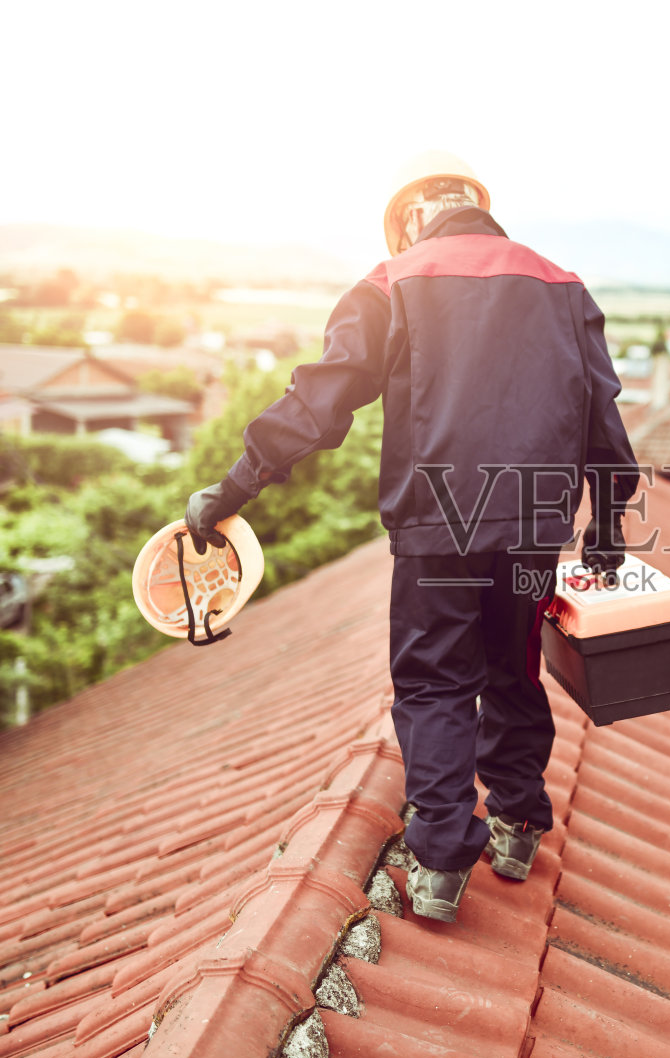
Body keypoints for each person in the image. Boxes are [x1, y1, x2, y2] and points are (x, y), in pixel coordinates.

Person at [185, 151, 638, 923]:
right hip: (532, 526)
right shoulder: (562, 283)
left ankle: (438, 862)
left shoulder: (393, 281)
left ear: (411, 221)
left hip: (437, 529)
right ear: (478, 208)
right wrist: (609, 519)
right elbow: (601, 403)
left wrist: (234, 488)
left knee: (434, 681)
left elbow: (319, 402)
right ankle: (519, 823)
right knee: (513, 666)